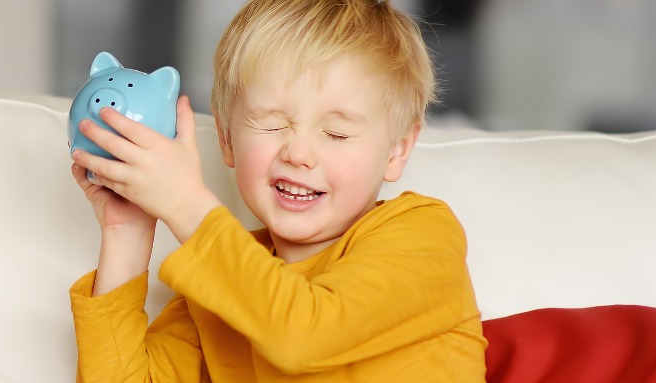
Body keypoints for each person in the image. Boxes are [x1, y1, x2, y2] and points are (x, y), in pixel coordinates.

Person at [66, 0, 486, 381]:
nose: (299, 153)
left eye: (337, 133)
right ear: (227, 138)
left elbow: (303, 335)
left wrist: (184, 202)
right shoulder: (218, 284)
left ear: (397, 150)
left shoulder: (423, 234)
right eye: (272, 122)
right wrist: (127, 232)